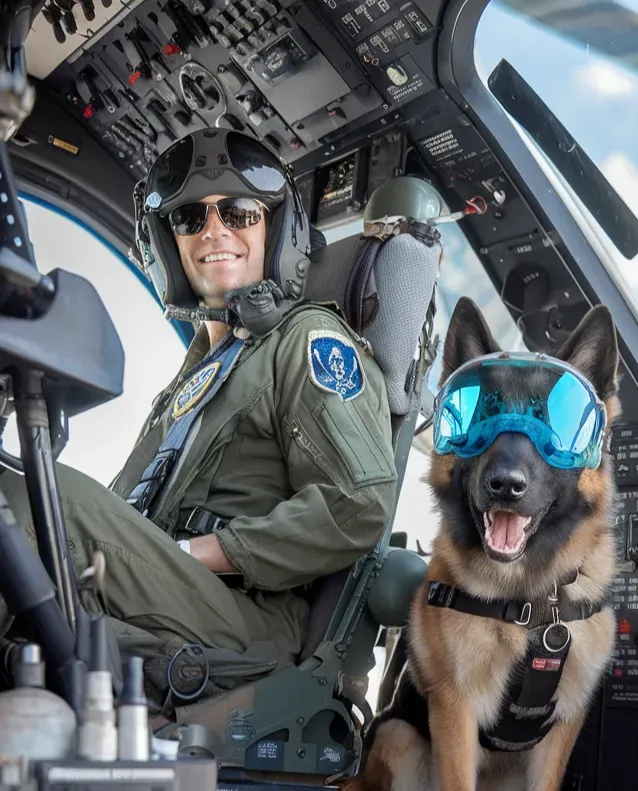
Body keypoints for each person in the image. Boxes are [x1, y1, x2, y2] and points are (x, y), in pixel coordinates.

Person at [0, 128, 397, 706]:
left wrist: (198, 555)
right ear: (168, 242)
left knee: (34, 500)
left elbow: (356, 505)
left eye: (239, 213)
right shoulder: (201, 371)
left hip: (243, 617)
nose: (215, 232)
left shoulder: (308, 340)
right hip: (169, 583)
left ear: (274, 229)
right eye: (190, 218)